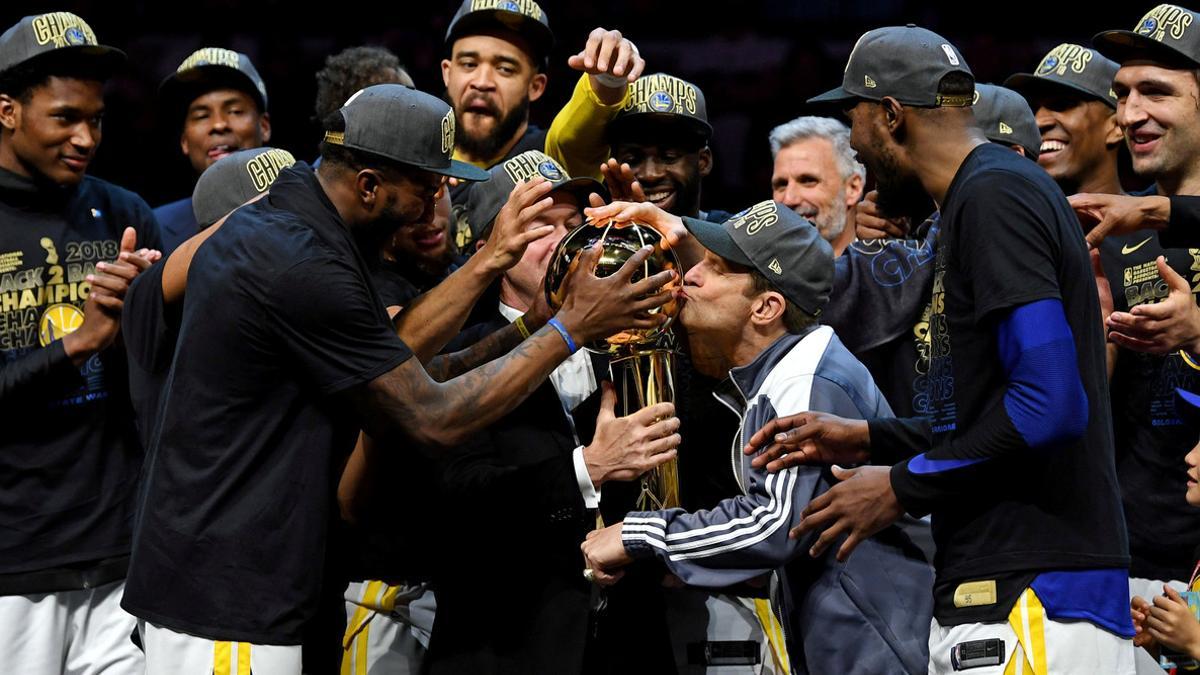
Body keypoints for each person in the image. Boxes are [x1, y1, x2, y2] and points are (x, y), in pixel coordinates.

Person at [122, 84, 675, 674]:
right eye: (428, 183)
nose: (438, 199)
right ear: (368, 186)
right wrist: (568, 327)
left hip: (245, 581)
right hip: (229, 599)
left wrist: (517, 306)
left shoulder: (292, 214)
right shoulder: (302, 263)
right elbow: (429, 417)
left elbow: (402, 359)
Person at [753, 25, 1135, 673]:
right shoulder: (973, 199)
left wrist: (898, 486)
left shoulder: (996, 195)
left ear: (892, 116)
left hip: (1032, 592)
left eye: (857, 127)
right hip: (1013, 592)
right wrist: (871, 439)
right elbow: (990, 411)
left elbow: (1052, 406)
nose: (861, 156)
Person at [579, 199, 933, 674]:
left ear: (767, 307)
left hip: (877, 646)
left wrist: (637, 534)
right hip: (853, 640)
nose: (691, 276)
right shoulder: (784, 371)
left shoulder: (806, 379)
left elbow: (774, 524)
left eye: (717, 268)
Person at [0, 12, 161, 674]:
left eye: (95, 119)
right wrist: (80, 341)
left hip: (118, 555)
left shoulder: (124, 212)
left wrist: (143, 326)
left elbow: (157, 388)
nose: (85, 137)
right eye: (65, 117)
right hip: (13, 563)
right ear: (6, 110)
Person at [153, 47, 271, 253]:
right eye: (201, 116)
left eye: (235, 111)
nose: (219, 124)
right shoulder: (154, 229)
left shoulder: (306, 212)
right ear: (184, 142)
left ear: (264, 126)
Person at [768, 116, 864, 255]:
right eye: (781, 184)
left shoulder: (894, 270)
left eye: (808, 181)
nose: (788, 199)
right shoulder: (754, 271)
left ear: (852, 189)